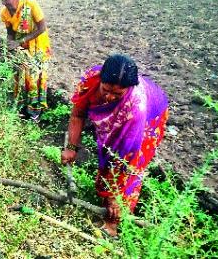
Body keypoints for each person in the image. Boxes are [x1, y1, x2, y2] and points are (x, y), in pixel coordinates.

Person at [61, 54, 168, 236]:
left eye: (118, 94)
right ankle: (106, 202)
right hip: (126, 116)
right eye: (106, 90)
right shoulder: (90, 81)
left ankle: (113, 224)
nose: (109, 97)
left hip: (150, 121)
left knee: (127, 169)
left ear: (129, 89)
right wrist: (71, 148)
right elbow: (78, 114)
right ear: (100, 79)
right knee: (108, 155)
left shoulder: (136, 108)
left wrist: (116, 196)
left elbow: (128, 159)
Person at [0, 0, 52, 121]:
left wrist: (20, 42)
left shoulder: (31, 5)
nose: (4, 3)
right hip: (21, 49)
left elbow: (42, 28)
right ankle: (23, 108)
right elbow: (10, 32)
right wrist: (8, 45)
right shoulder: (4, 13)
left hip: (38, 47)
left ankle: (35, 112)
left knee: (35, 78)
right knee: (20, 77)